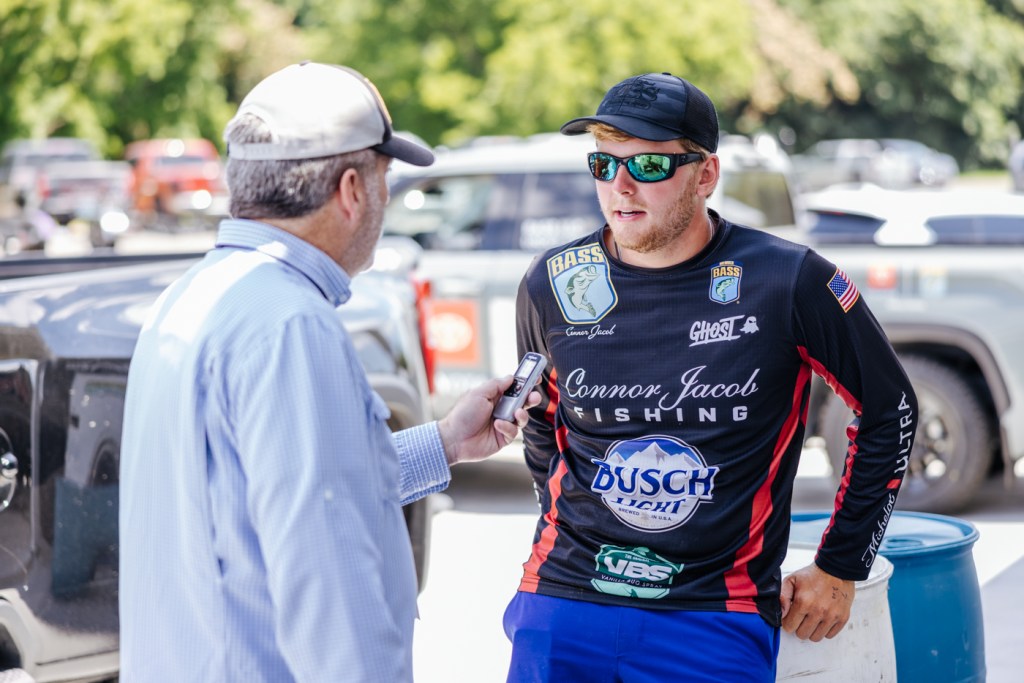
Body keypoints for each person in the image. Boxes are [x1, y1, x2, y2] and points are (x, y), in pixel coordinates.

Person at [119, 62, 538, 683]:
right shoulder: (291, 325)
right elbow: (329, 588)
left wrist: (446, 442)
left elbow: (265, 490)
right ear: (350, 190)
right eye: (384, 177)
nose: (385, 198)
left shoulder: (194, 297)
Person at [504, 72, 918, 682]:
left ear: (705, 175)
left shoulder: (788, 279)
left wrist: (841, 564)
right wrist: (558, 521)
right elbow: (540, 418)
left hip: (714, 613)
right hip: (563, 600)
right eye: (603, 163)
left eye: (648, 165)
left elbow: (890, 408)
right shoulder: (553, 280)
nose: (620, 186)